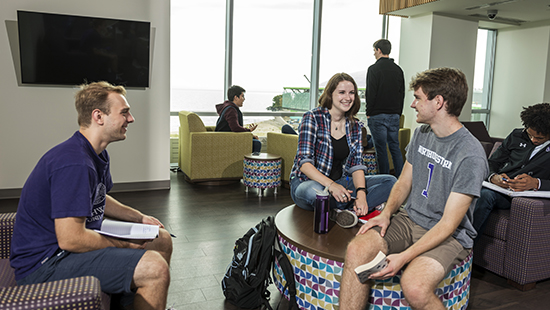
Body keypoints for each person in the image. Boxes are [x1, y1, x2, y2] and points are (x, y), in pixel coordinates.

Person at [10, 82, 173, 310]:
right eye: (124, 112)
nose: (131, 118)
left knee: (161, 239)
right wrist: (123, 246)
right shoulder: (74, 162)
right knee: (155, 268)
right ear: (99, 116)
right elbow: (71, 239)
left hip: (64, 251)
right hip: (45, 264)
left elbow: (99, 197)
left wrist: (140, 218)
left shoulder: (96, 153)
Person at [339, 68, 489, 310]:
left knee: (415, 286)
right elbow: (403, 182)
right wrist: (385, 214)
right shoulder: (422, 133)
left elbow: (449, 224)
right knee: (356, 249)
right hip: (409, 219)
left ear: (438, 102)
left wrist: (404, 257)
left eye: (418, 98)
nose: (412, 104)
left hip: (447, 235)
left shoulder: (470, 155)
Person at [289, 72, 397, 227]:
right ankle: (348, 208)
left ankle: (348, 212)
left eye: (352, 92)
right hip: (307, 182)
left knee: (391, 181)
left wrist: (361, 193)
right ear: (330, 94)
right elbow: (304, 163)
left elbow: (356, 165)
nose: (348, 97)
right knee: (313, 192)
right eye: (342, 92)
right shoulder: (312, 118)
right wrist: (332, 186)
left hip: (341, 183)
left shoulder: (356, 126)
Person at [473, 103, 550, 241]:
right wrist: (493, 177)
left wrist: (536, 183)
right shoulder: (516, 135)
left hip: (525, 197)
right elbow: (492, 163)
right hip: (501, 188)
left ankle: (464, 250)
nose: (533, 140)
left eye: (539, 138)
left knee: (485, 196)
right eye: (530, 134)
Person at [366, 39, 405, 177]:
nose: (374, 54)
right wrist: (398, 113)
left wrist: (369, 113)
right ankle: (400, 179)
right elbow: (402, 94)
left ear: (379, 50)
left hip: (377, 116)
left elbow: (371, 93)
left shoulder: (373, 69)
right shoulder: (398, 70)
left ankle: (385, 180)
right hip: (394, 114)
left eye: (374, 50)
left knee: (381, 150)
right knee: (395, 148)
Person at [215, 85, 261, 153]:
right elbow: (235, 128)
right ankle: (251, 163)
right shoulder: (231, 110)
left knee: (255, 140)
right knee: (256, 144)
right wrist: (249, 130)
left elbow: (233, 128)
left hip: (226, 138)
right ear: (236, 97)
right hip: (226, 140)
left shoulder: (229, 108)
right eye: (242, 96)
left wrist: (249, 135)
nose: (244, 99)